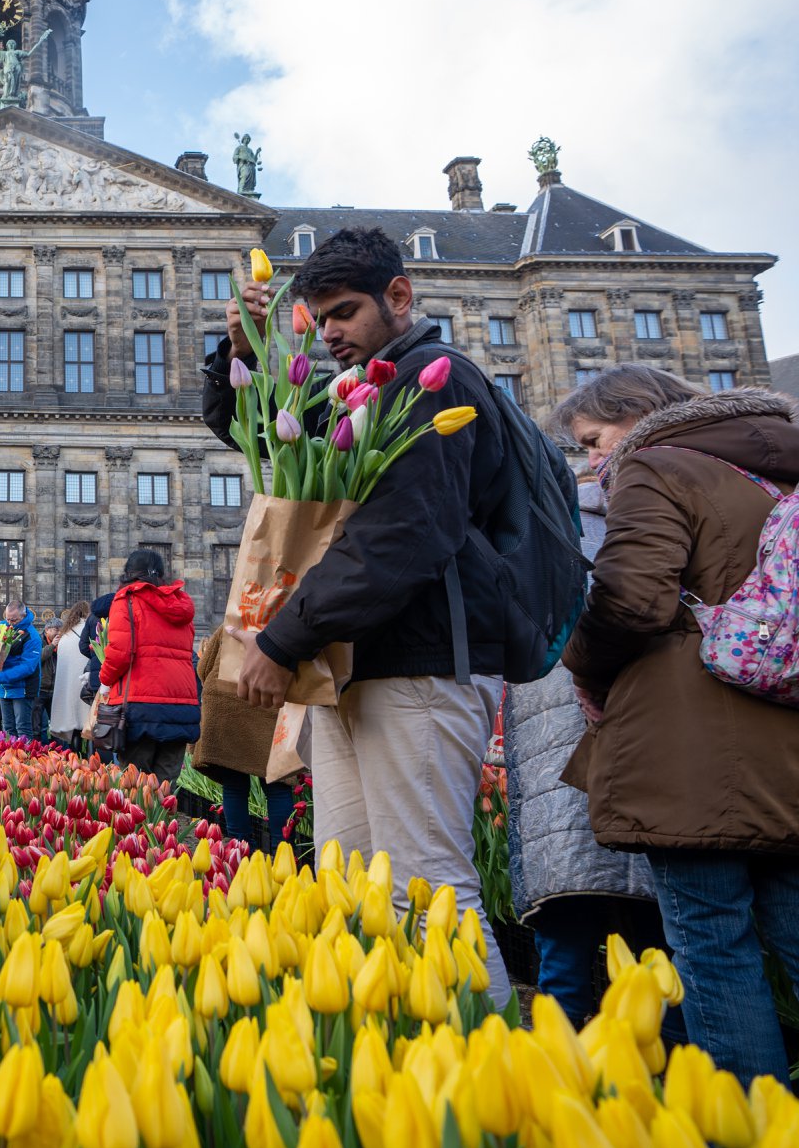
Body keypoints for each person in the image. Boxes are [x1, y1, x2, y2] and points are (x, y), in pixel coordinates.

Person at [202, 226, 517, 1003]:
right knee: (351, 886)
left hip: (424, 663)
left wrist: (283, 635)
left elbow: (402, 535)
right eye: (318, 316)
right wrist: (240, 346)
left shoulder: (432, 385)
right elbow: (261, 427)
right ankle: (401, 1071)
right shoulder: (363, 385)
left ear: (399, 296)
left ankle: (500, 1085)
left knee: (427, 892)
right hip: (356, 669)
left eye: (342, 312)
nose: (330, 331)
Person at [558, 366, 799, 1082]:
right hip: (796, 750)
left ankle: (744, 1126)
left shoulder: (653, 464)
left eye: (593, 440)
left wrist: (575, 654)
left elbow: (633, 599)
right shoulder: (780, 478)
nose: (591, 460)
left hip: (690, 753)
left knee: (714, 952)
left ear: (641, 414)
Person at [503, 455, 680, 1030]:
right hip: (645, 764)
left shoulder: (536, 531)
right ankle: (674, 1087)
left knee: (566, 943)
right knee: (664, 960)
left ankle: (557, 1085)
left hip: (558, 769)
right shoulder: (662, 523)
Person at [98, 549, 201, 798]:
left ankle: (137, 836)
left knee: (136, 787)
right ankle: (161, 834)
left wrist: (104, 681)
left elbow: (120, 652)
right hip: (181, 707)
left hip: (140, 707)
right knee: (165, 789)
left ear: (128, 574)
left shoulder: (127, 601)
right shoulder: (181, 605)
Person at [191, 629, 293, 849]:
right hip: (271, 706)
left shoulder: (231, 625)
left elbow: (203, 667)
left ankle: (240, 848)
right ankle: (282, 852)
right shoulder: (288, 628)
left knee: (234, 785)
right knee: (277, 785)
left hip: (227, 708)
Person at [0, 601, 41, 738]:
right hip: (3, 687)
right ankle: (10, 757)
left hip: (22, 689)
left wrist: (2, 676)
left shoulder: (32, 636)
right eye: (8, 618)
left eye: (14, 620)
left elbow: (27, 667)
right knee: (8, 728)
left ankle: (26, 757)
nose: (10, 623)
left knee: (22, 728)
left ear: (23, 616)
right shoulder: (3, 625)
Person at [50, 601, 96, 745]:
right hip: (84, 686)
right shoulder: (89, 629)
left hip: (68, 689)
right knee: (87, 723)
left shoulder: (65, 635)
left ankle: (74, 755)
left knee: (73, 726)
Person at [37, 622, 61, 737]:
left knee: (57, 724)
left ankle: (58, 750)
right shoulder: (39, 641)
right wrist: (52, 646)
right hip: (40, 688)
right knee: (38, 724)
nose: (58, 633)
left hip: (55, 690)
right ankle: (37, 749)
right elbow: (38, 658)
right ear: (47, 630)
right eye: (55, 629)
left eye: (60, 630)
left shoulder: (61, 643)